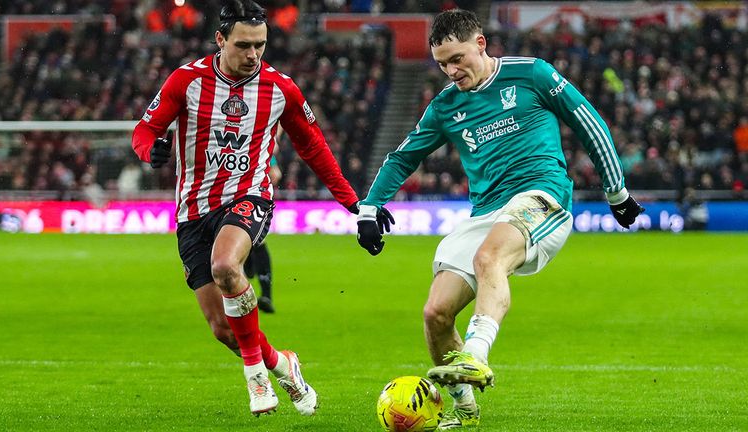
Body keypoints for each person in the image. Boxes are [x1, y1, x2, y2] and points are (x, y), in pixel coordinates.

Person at [356, 9, 644, 430]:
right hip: (485, 213)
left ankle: (476, 354)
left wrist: (616, 192)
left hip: (540, 196)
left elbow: (589, 123)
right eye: (442, 64)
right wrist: (369, 207)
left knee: (490, 258)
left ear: (481, 44)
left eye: (458, 59)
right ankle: (466, 410)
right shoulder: (445, 107)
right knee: (435, 313)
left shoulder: (533, 75)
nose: (451, 71)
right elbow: (403, 157)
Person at [132, 0, 390, 417]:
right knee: (223, 330)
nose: (253, 54)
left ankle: (256, 377)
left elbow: (314, 148)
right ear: (220, 40)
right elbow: (146, 129)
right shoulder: (187, 81)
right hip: (192, 212)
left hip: (248, 196)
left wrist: (355, 206)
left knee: (226, 267)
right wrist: (151, 150)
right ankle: (282, 363)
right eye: (244, 45)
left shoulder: (281, 88)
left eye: (260, 45)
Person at [244, 156, 282, 313]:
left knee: (256, 240)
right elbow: (276, 175)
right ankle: (248, 263)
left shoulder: (260, 146)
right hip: (241, 197)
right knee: (253, 241)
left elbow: (276, 174)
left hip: (249, 198)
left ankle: (266, 294)